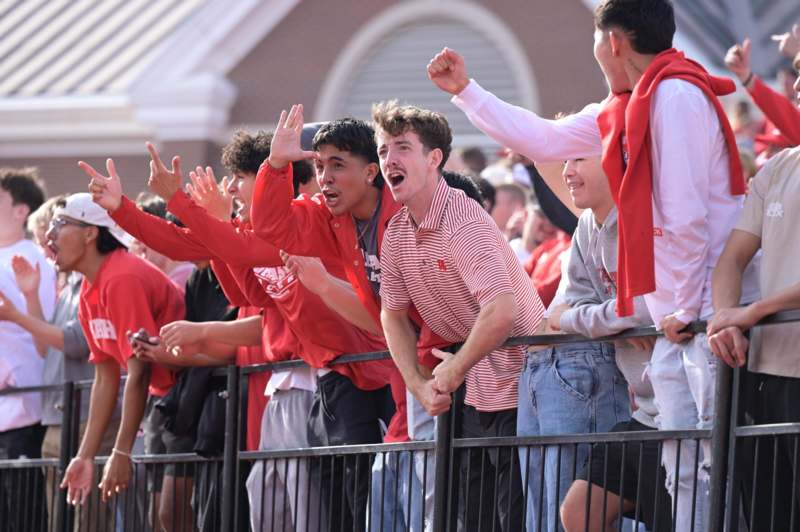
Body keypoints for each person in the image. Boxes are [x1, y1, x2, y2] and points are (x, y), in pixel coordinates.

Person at [428, 2, 758, 527]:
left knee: (709, 468)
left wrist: (679, 309)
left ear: (614, 43)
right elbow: (541, 140)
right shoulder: (624, 106)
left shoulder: (675, 95)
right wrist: (467, 91)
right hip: (680, 322)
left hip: (704, 316)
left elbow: (687, 215)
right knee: (685, 471)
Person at [373, 100, 545, 531]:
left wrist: (452, 371)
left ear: (434, 159)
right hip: (475, 386)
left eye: (402, 147)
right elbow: (391, 315)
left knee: (516, 521)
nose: (389, 160)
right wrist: (419, 386)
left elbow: (501, 310)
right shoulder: (395, 234)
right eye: (383, 150)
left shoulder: (463, 220)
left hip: (527, 382)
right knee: (473, 520)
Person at [545, 155, 670, 532]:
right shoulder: (587, 224)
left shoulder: (647, 214)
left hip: (680, 410)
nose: (567, 171)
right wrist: (615, 323)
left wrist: (584, 319)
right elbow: (565, 304)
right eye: (565, 160)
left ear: (613, 157)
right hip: (644, 412)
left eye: (579, 159)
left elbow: (647, 307)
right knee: (578, 512)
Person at [53, 191, 184, 526]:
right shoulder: (89, 290)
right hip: (162, 402)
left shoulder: (122, 276)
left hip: (187, 396)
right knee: (158, 516)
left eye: (60, 223)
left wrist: (121, 451)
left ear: (89, 233)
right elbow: (105, 376)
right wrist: (85, 456)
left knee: (170, 515)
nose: (50, 235)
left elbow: (139, 370)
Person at [706, 69, 800, 528]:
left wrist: (752, 313)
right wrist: (726, 319)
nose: (796, 86)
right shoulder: (778, 168)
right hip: (764, 378)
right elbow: (731, 260)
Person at [0, 167, 55, 532]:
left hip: (22, 408)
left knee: (22, 517)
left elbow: (44, 331)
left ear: (21, 210)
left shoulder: (33, 259)